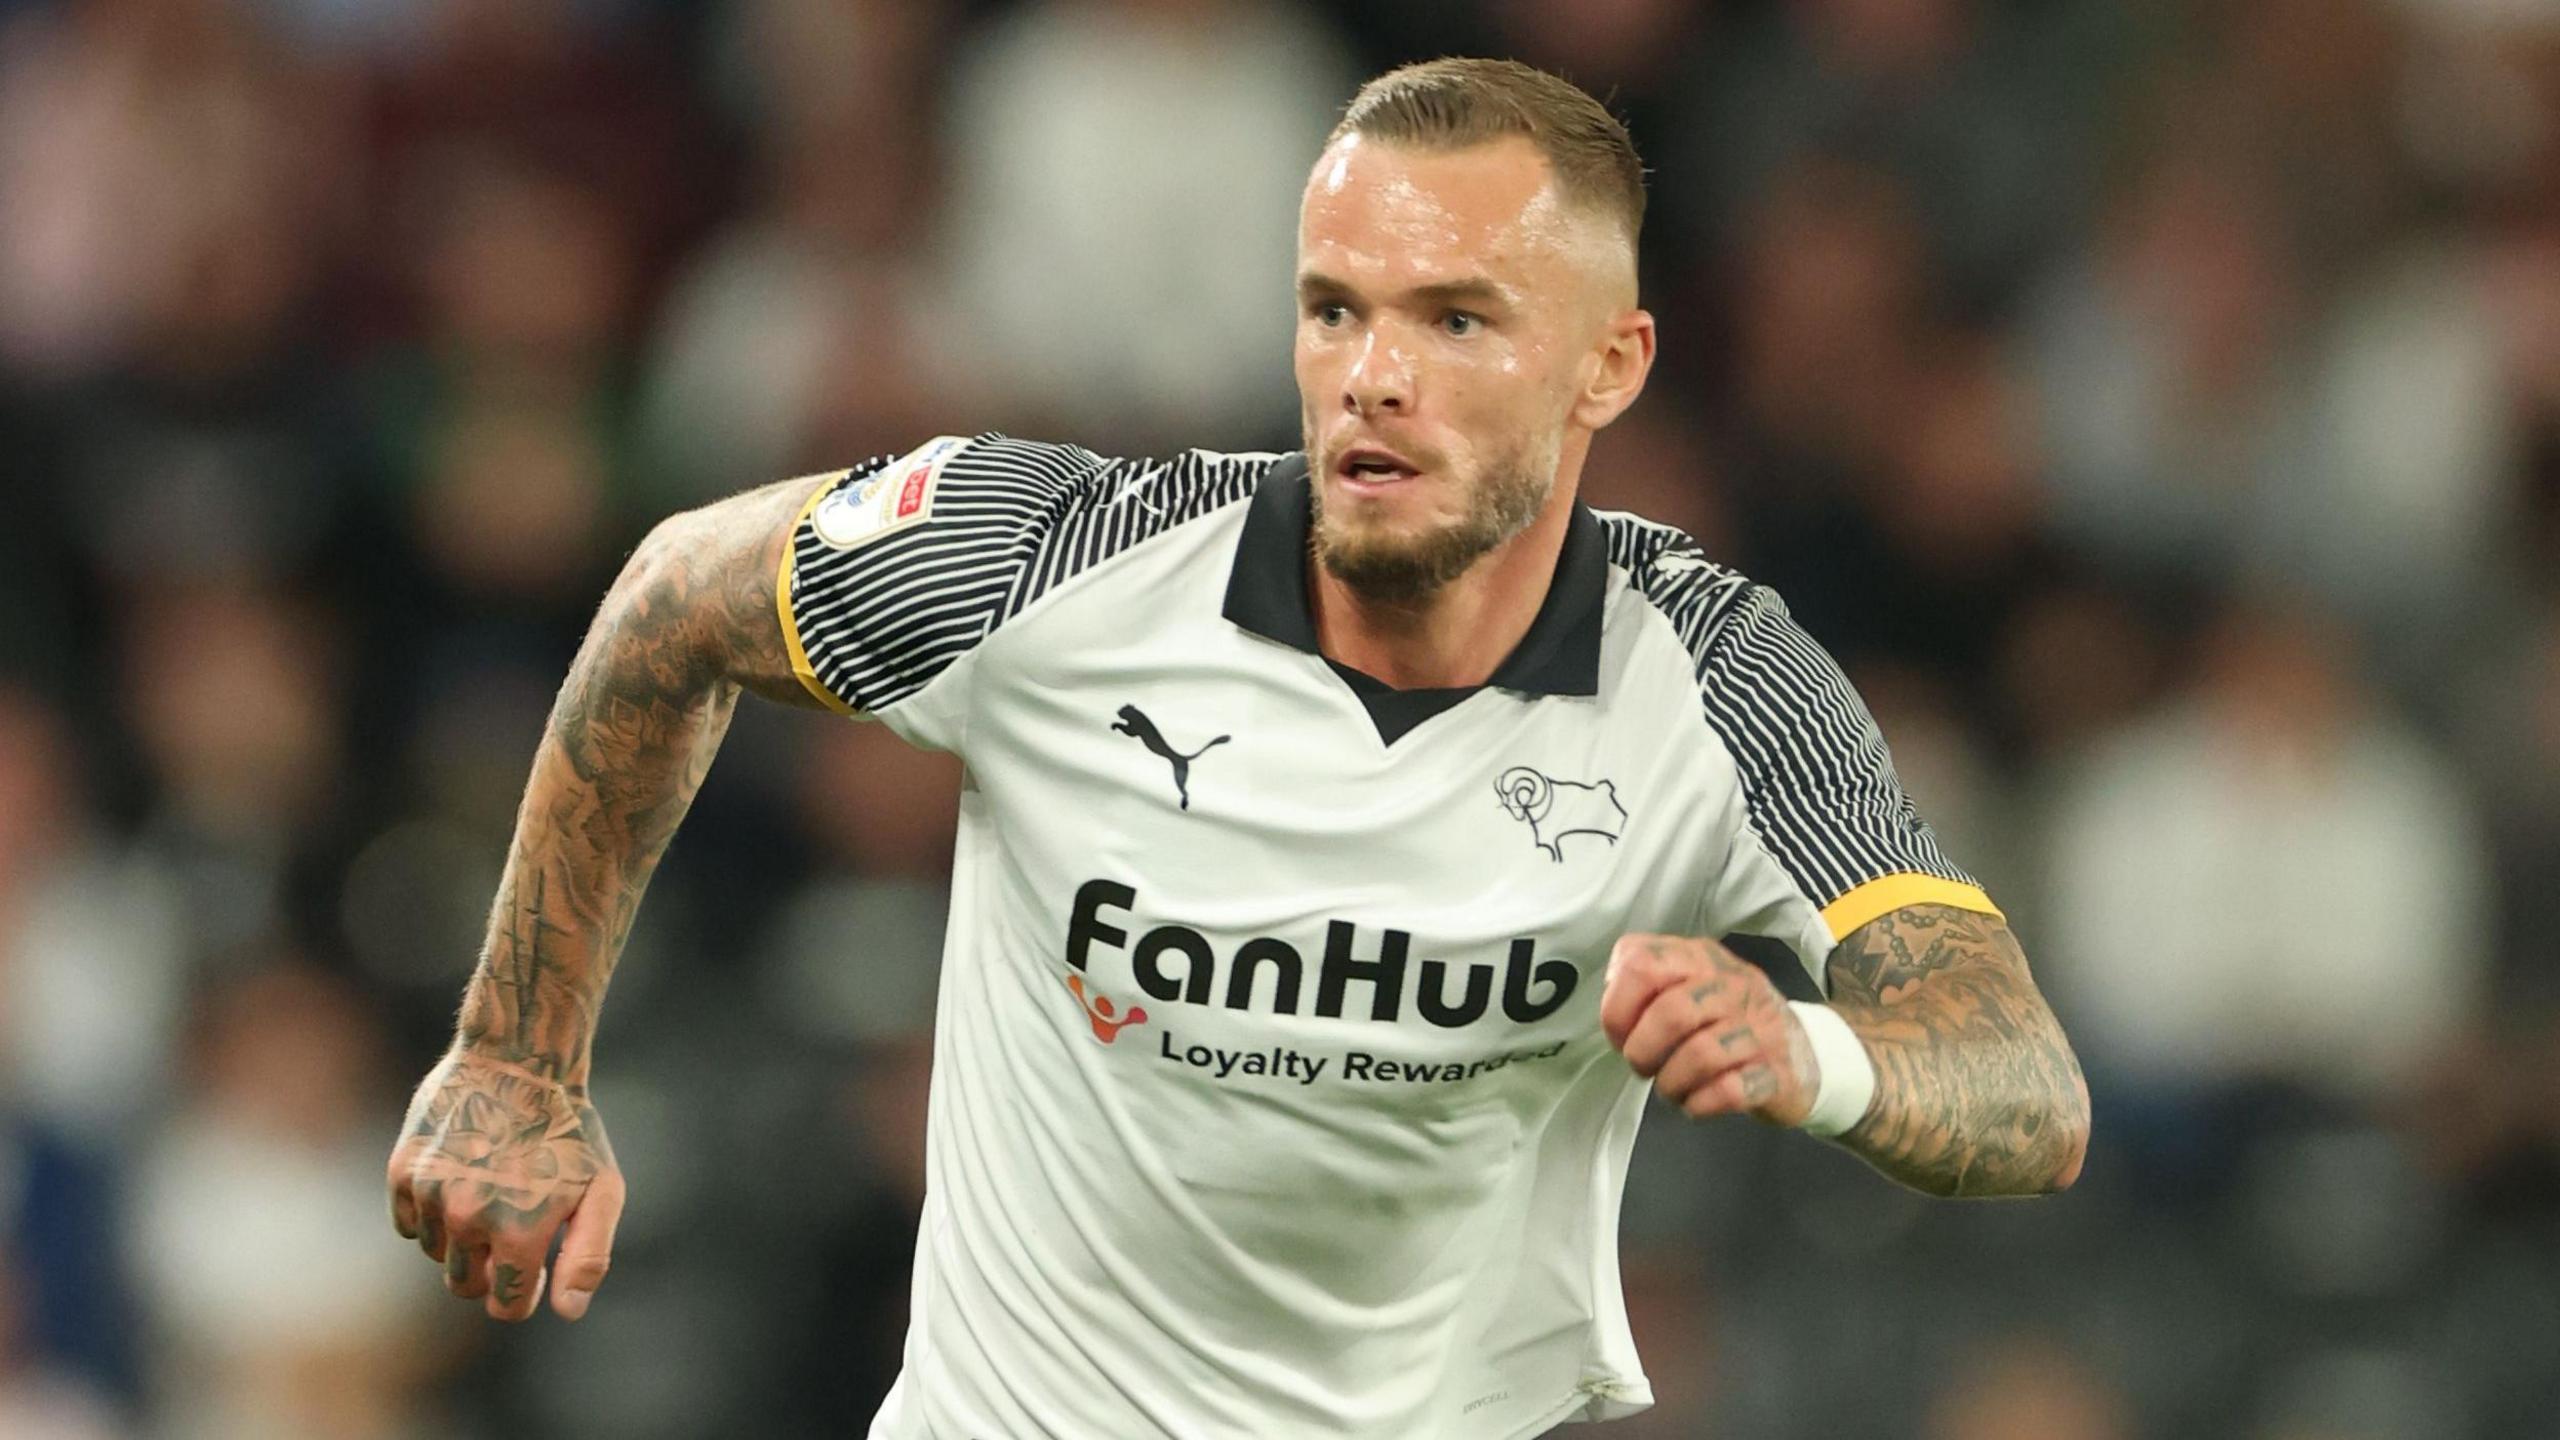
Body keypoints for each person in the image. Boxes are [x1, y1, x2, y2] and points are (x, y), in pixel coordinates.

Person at [385, 58, 2090, 1439]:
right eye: (1335, 310)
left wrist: (1815, 1056)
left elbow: (2024, 1078)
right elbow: (678, 592)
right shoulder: (1061, 559)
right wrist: (519, 1057)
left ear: (1609, 366)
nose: (1373, 377)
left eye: (1458, 322)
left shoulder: (1714, 679)